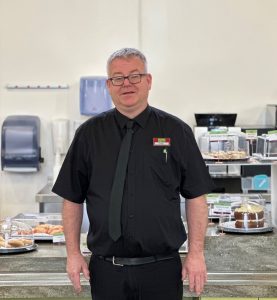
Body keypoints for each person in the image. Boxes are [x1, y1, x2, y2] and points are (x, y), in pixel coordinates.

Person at [52, 47, 214, 300]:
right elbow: (72, 198)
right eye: (118, 78)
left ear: (148, 81)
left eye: (135, 76)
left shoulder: (177, 131)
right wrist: (73, 254)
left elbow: (196, 198)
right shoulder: (89, 135)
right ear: (108, 85)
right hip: (106, 271)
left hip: (162, 269)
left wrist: (196, 254)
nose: (126, 83)